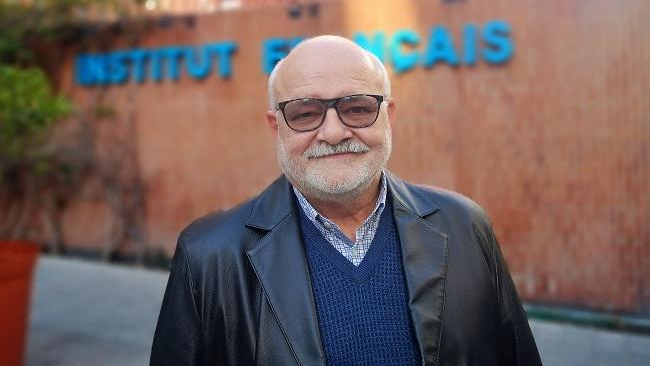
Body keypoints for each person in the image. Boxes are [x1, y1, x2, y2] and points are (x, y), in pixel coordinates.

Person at [150, 35, 542, 366]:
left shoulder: (464, 226)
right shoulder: (209, 256)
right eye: (305, 113)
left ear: (388, 116)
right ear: (276, 127)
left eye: (357, 108)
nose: (334, 133)